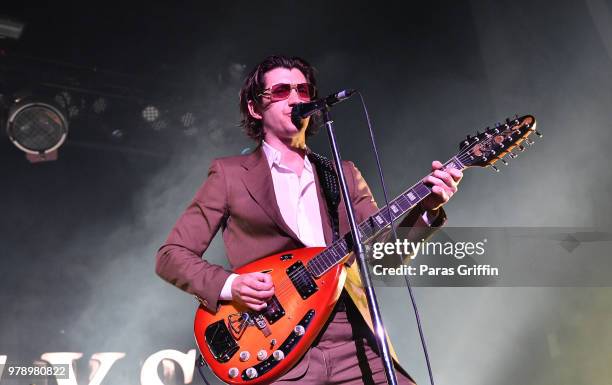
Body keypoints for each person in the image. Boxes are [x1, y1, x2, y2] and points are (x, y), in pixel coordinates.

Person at [156, 55, 462, 384]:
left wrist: (426, 209)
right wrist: (234, 286)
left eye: (303, 90)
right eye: (281, 91)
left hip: (353, 337)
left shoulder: (341, 174)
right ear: (255, 109)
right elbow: (171, 256)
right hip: (277, 345)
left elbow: (384, 259)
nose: (295, 98)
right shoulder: (230, 175)